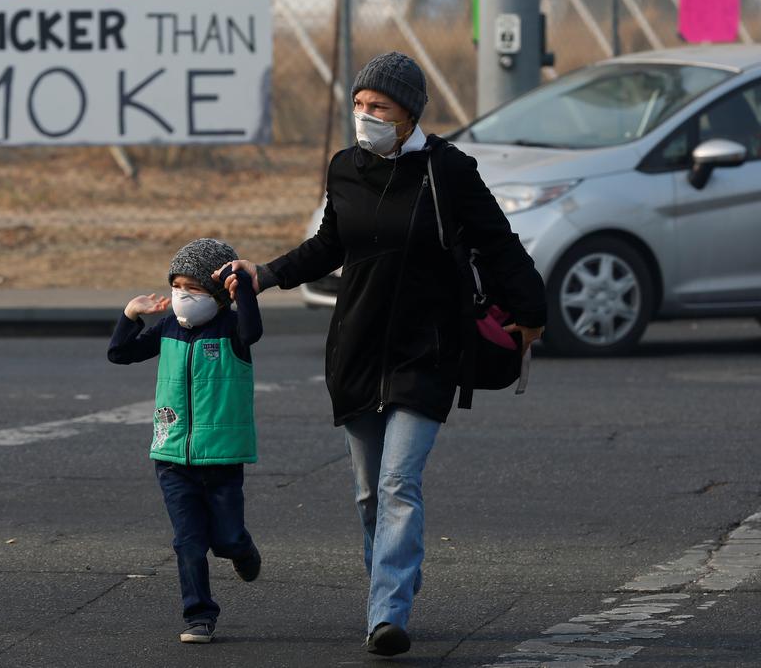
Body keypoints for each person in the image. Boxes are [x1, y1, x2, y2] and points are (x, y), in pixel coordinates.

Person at [215, 52, 547, 656]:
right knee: (369, 491)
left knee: (398, 481)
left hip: (429, 349)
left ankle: (386, 612)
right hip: (358, 347)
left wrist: (532, 314)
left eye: (379, 107)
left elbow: (499, 245)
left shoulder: (449, 171)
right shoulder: (345, 169)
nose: (364, 116)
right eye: (360, 105)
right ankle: (388, 588)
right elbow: (327, 246)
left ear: (409, 114)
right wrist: (264, 274)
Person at [107, 237, 264, 645]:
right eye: (177, 286)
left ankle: (243, 549)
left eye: (192, 287)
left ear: (215, 293)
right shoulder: (169, 328)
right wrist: (131, 314)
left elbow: (254, 330)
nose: (182, 295)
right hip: (173, 456)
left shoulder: (230, 328)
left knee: (227, 539)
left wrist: (243, 289)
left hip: (222, 458)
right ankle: (199, 616)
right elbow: (120, 354)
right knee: (188, 542)